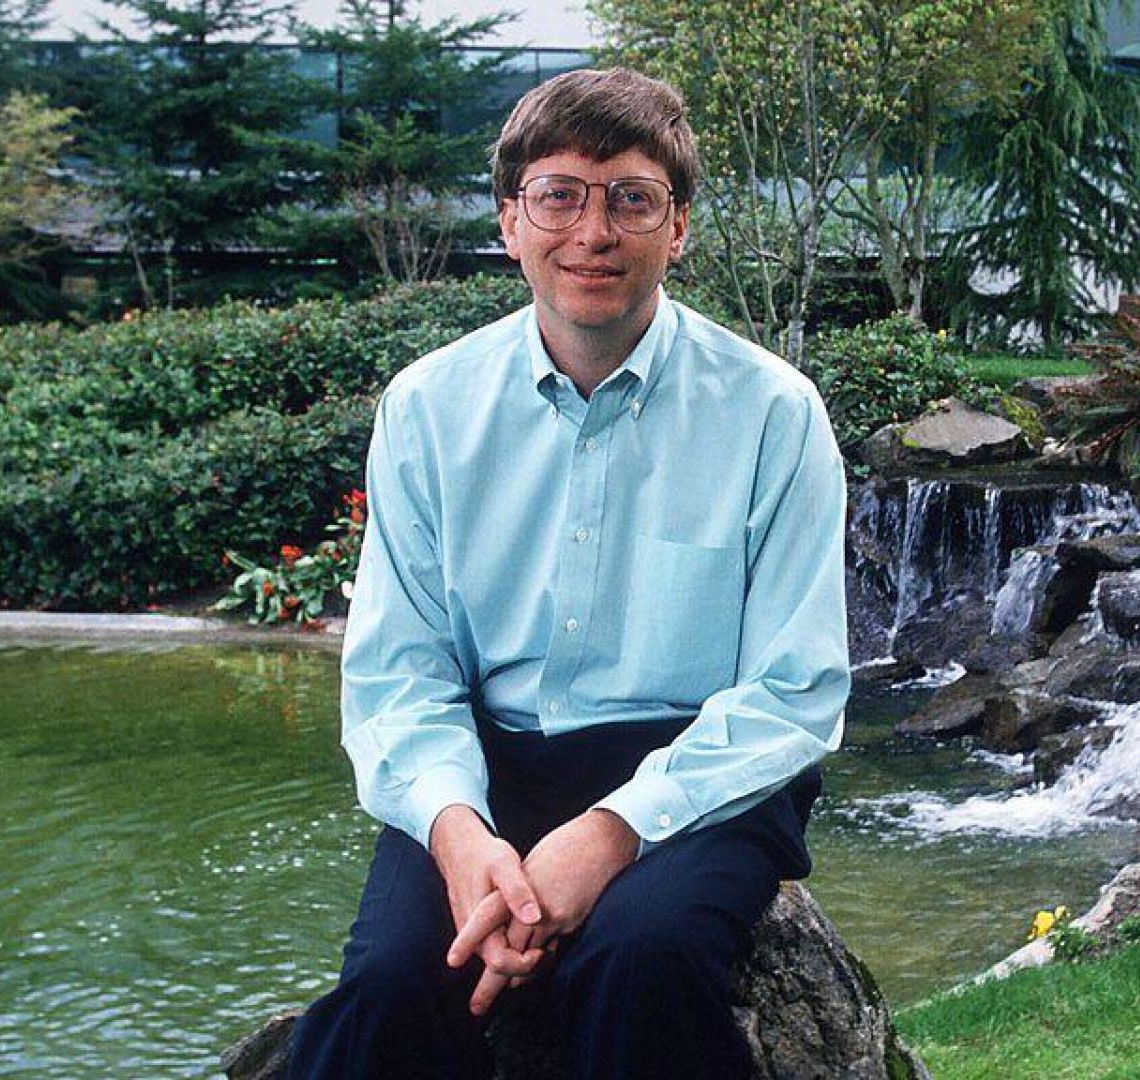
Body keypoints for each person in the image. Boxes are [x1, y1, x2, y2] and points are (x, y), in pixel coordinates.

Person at [287, 67, 851, 1080]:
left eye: (632, 198)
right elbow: (400, 671)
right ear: (510, 221)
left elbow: (795, 691)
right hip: (488, 763)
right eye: (558, 196)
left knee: (643, 961)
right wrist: (460, 839)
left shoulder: (773, 414)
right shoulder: (426, 410)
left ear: (678, 226)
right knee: (393, 985)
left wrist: (609, 835)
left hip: (704, 772)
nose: (593, 232)